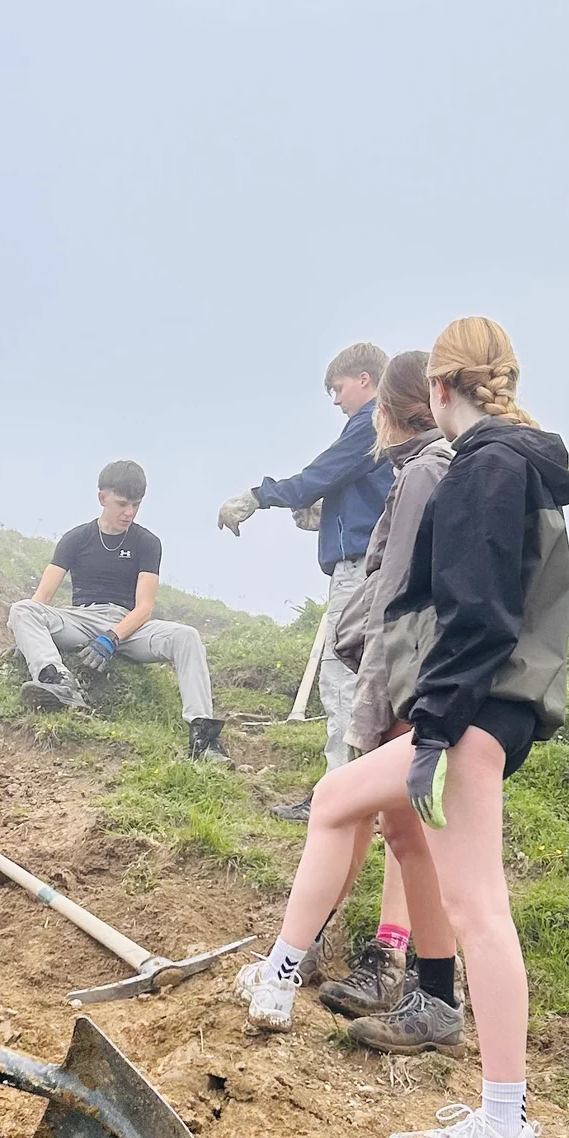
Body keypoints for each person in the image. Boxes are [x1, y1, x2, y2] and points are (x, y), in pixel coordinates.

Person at [235, 318, 569, 1138]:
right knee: (343, 803)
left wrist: (432, 730)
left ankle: (504, 1124)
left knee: (479, 910)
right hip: (490, 709)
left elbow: (478, 615)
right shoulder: (513, 459)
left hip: (471, 713)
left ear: (438, 389)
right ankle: (282, 977)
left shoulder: (484, 468)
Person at [316, 350, 459, 1041]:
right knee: (401, 824)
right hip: (419, 672)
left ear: (382, 405)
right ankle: (398, 966)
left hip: (410, 674)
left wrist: (369, 709)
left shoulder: (426, 472)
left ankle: (391, 962)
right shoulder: (427, 469)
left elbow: (396, 602)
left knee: (391, 817)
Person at [218, 342, 393, 809]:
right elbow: (358, 489)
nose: (335, 400)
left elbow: (323, 473)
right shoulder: (387, 427)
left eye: (337, 389)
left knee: (341, 674)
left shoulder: (370, 423)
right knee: (372, 675)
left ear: (364, 379)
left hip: (360, 570)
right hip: (379, 565)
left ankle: (340, 796)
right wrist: (325, 513)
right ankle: (370, 792)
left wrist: (259, 496)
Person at [8, 461, 224, 762]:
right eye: (122, 504)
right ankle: (57, 681)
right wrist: (26, 637)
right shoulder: (76, 538)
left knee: (187, 636)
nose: (130, 513)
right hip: (81, 618)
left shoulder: (147, 543)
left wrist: (112, 636)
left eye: (136, 505)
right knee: (22, 610)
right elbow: (41, 598)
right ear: (102, 498)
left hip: (129, 624)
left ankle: (203, 737)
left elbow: (144, 607)